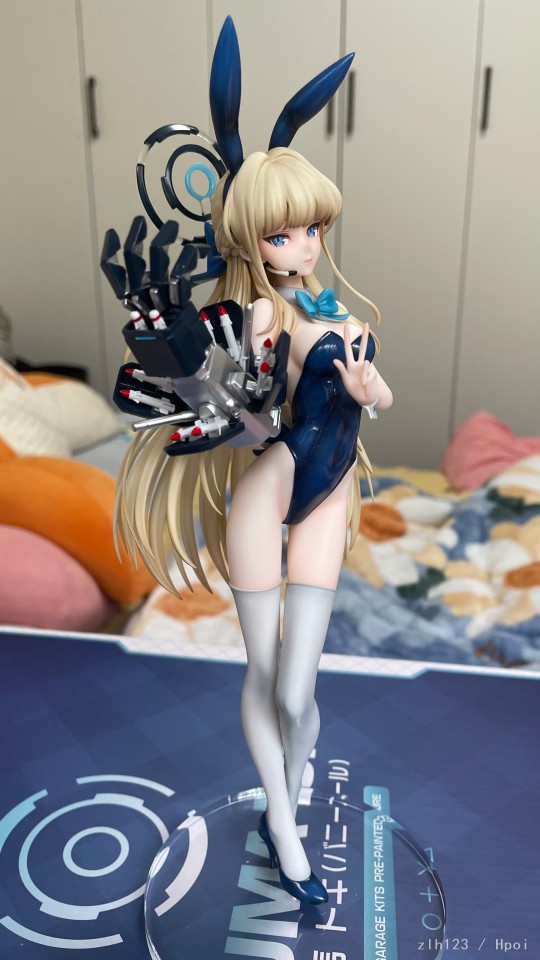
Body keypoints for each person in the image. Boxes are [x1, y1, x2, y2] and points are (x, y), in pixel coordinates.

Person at [114, 18, 392, 904]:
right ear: (247, 241)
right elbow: (237, 397)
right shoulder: (265, 316)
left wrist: (367, 388)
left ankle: (287, 799)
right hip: (266, 489)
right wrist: (212, 391)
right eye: (283, 235)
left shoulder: (340, 311)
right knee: (266, 674)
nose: (303, 245)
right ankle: (284, 815)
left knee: (300, 692)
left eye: (311, 229)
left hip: (326, 492)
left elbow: (379, 393)